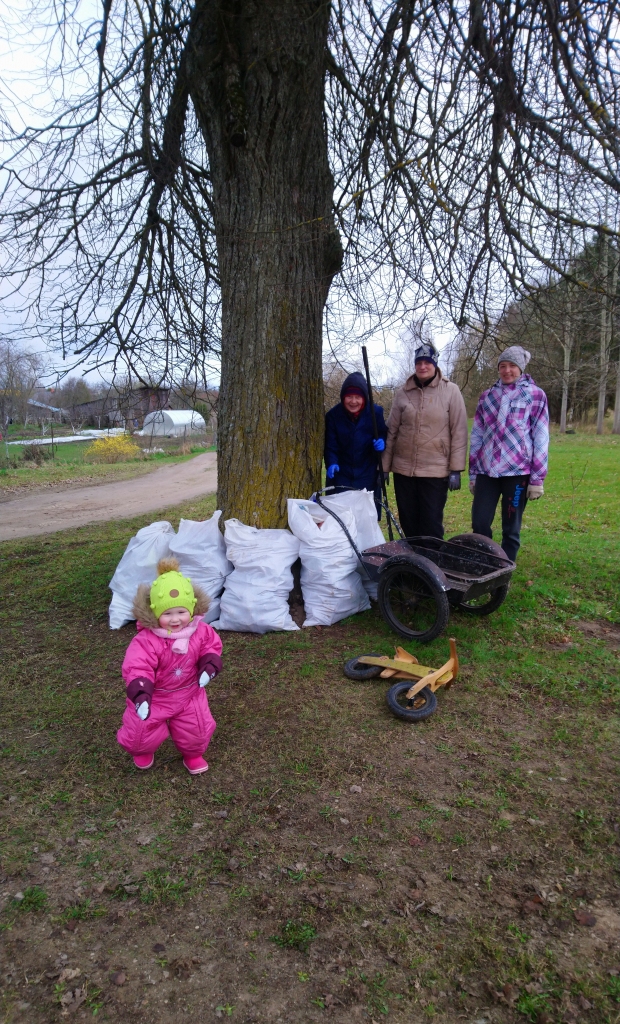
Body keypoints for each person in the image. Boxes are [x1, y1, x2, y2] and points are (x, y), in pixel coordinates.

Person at [117, 557, 222, 775]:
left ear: (192, 609)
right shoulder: (147, 640)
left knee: (197, 728)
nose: (175, 619)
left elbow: (210, 647)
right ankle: (143, 749)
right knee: (140, 730)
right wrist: (141, 689)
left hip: (189, 692)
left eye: (181, 612)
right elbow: (138, 665)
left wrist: (209, 664)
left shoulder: (200, 631)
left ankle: (193, 754)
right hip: (155, 697)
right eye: (167, 613)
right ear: (155, 613)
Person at [469, 345, 549, 562]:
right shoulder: (487, 397)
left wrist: (537, 478)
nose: (507, 371)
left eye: (512, 366)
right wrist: (473, 473)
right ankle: (485, 564)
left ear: (521, 368)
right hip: (487, 472)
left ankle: (504, 570)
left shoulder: (535, 396)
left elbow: (541, 438)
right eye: (503, 366)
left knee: (510, 529)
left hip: (517, 473)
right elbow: (477, 435)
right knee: (480, 523)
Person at [382, 342, 468, 538]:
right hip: (404, 470)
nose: (422, 366)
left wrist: (455, 469)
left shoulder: (450, 391)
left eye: (427, 362)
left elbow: (460, 431)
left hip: (435, 471)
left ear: (435, 364)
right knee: (408, 520)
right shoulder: (403, 393)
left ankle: (432, 563)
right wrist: (384, 468)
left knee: (431, 522)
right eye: (419, 362)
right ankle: (412, 564)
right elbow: (391, 431)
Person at [324, 371, 388, 513]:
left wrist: (382, 442)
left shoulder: (375, 413)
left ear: (364, 398)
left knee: (365, 516)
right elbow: (330, 444)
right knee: (340, 516)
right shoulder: (333, 416)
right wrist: (332, 462)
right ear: (343, 397)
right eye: (349, 397)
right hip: (342, 474)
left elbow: (384, 433)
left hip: (368, 473)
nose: (353, 401)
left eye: (357, 397)